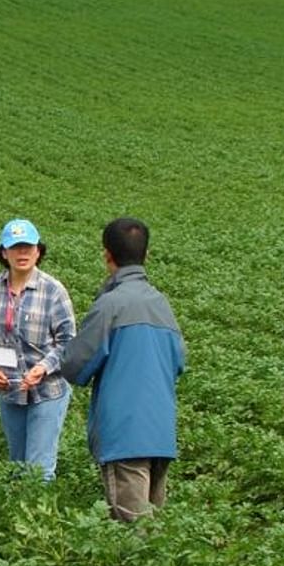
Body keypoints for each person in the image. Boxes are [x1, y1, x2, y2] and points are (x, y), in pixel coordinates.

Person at [61, 218, 185, 521]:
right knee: (152, 527)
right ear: (147, 254)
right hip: (160, 432)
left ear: (107, 255)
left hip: (125, 434)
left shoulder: (111, 305)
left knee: (133, 531)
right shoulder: (162, 305)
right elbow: (179, 361)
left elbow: (75, 366)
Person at [0, 218, 76, 481]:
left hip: (47, 390)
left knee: (39, 470)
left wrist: (43, 367)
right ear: (3, 253)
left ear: (38, 252)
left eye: (28, 247)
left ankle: (39, 520)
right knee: (18, 467)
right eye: (15, 247)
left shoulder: (53, 290)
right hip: (10, 391)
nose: (22, 253)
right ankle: (19, 519)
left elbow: (68, 341)